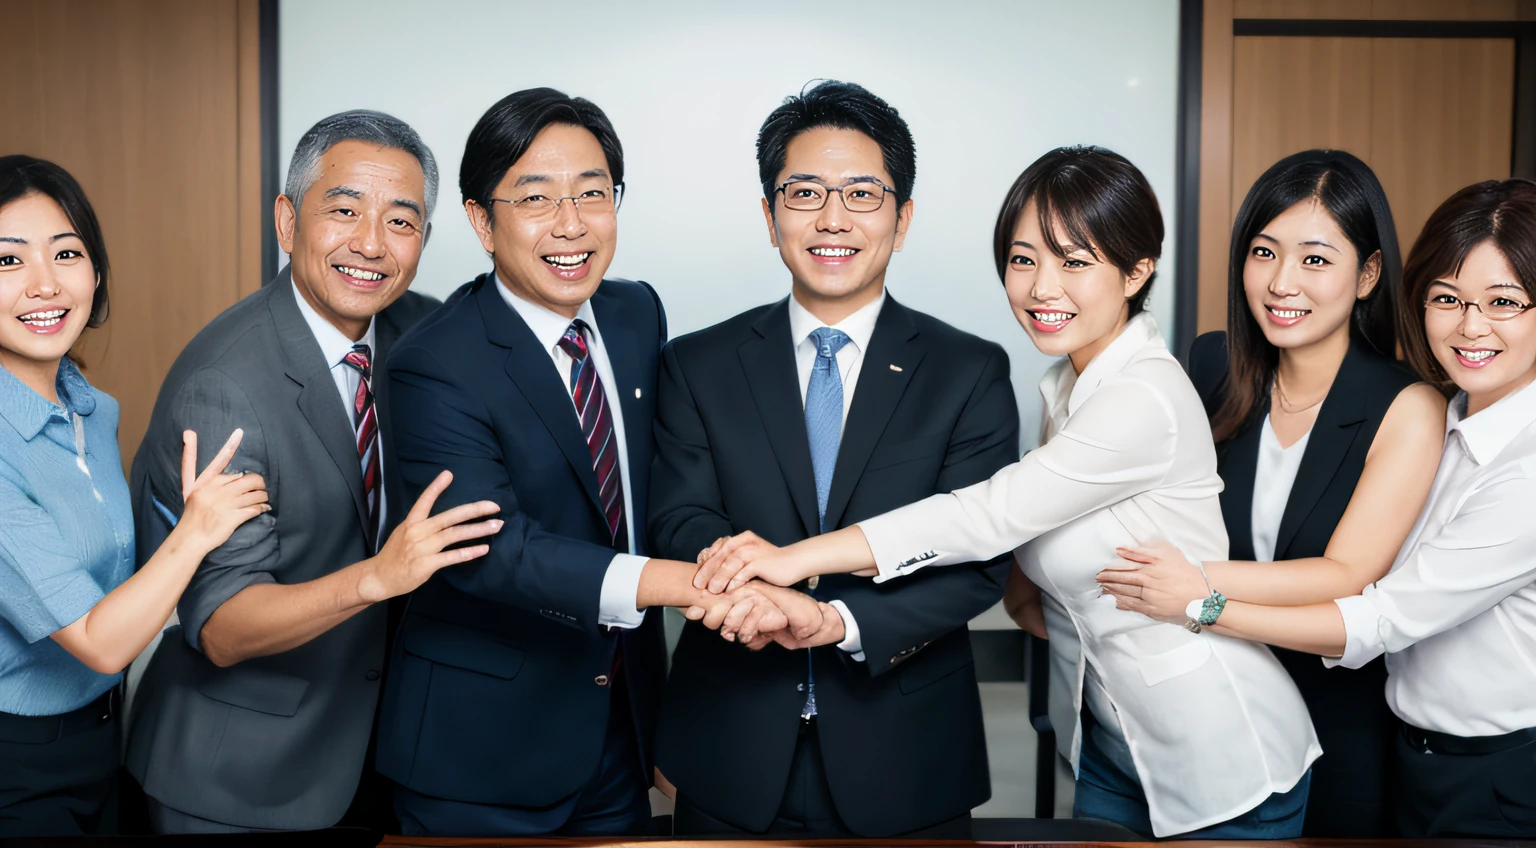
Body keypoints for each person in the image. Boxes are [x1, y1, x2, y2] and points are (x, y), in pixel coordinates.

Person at [695, 146, 1320, 839]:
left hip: (1220, 754)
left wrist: (795, 558)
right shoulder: (1067, 384)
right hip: (1114, 745)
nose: (1041, 288)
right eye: (1024, 260)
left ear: (1137, 270)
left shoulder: (1144, 395)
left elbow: (990, 514)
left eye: (1075, 262)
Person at [374, 87, 784, 838]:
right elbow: (491, 551)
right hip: (481, 755)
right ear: (481, 221)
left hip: (618, 730)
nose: (571, 224)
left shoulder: (635, 313)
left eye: (593, 193)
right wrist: (696, 584)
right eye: (536, 198)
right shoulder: (432, 361)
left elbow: (653, 490)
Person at [1097, 179, 1536, 838]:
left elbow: (1382, 615)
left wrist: (1202, 599)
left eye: (1504, 303)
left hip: (1498, 772)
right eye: (1448, 299)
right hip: (1409, 752)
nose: (1471, 326)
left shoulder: (1520, 466)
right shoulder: (1443, 418)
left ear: (1368, 275)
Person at [648, 80, 1019, 840]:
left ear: (903, 218)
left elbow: (979, 563)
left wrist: (832, 619)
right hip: (730, 743)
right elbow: (678, 515)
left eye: (862, 193)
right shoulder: (696, 363)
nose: (832, 218)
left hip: (908, 752)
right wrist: (746, 593)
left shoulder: (968, 370)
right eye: (805, 192)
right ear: (769, 215)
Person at [125, 111, 502, 834]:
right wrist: (376, 578)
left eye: (401, 221)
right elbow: (223, 627)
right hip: (237, 777)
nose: (370, 243)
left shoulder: (422, 335)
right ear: (287, 219)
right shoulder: (224, 386)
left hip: (375, 752)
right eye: (344, 210)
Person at [1169, 150, 1445, 836]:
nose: (1282, 281)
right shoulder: (1211, 365)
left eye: (1316, 259)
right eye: (1264, 252)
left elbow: (1347, 575)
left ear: (1368, 274)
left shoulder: (1406, 405)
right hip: (1208, 715)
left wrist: (1188, 586)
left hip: (1337, 727)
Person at [0, 156, 267, 836]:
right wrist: (197, 531)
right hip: (17, 760)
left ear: (95, 273)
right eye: (8, 262)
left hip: (105, 738)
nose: (44, 284)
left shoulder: (94, 410)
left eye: (66, 253)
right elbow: (97, 641)